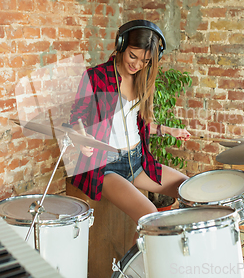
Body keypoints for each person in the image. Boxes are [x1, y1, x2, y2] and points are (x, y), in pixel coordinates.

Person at [69, 20, 191, 227]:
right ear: (121, 45)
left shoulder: (142, 80)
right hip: (107, 165)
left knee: (189, 189)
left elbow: (136, 125)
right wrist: (83, 138)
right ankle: (134, 260)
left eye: (145, 61)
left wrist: (168, 129)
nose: (136, 64)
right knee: (149, 215)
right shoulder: (96, 77)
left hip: (138, 162)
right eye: (132, 56)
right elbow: (76, 118)